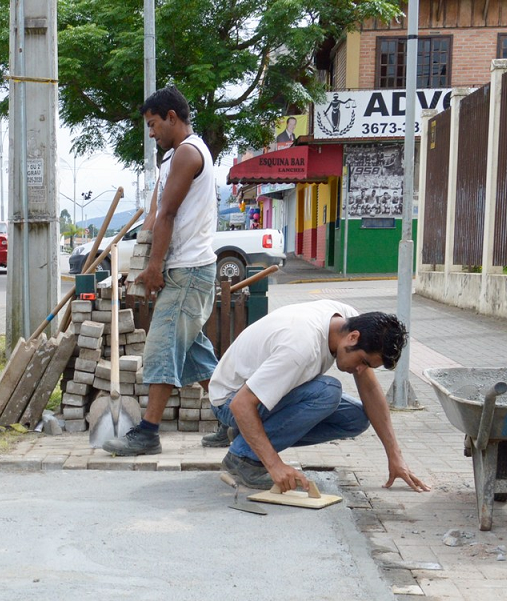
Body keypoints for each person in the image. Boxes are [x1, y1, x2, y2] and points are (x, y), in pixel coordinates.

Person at [102, 86, 219, 457]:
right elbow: (154, 214)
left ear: (172, 117)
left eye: (153, 124)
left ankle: (148, 433)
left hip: (189, 269)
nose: (151, 132)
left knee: (161, 346)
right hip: (185, 269)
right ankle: (237, 419)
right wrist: (140, 264)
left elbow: (167, 214)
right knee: (196, 356)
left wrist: (155, 268)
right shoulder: (171, 158)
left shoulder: (188, 152)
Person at [206, 300, 429, 495]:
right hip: (230, 400)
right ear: (353, 338)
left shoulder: (348, 320)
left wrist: (394, 456)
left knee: (356, 418)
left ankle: (249, 436)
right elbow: (241, 404)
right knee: (328, 391)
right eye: (363, 362)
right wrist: (275, 465)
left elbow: (370, 391)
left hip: (258, 396)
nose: (361, 370)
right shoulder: (300, 347)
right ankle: (243, 458)